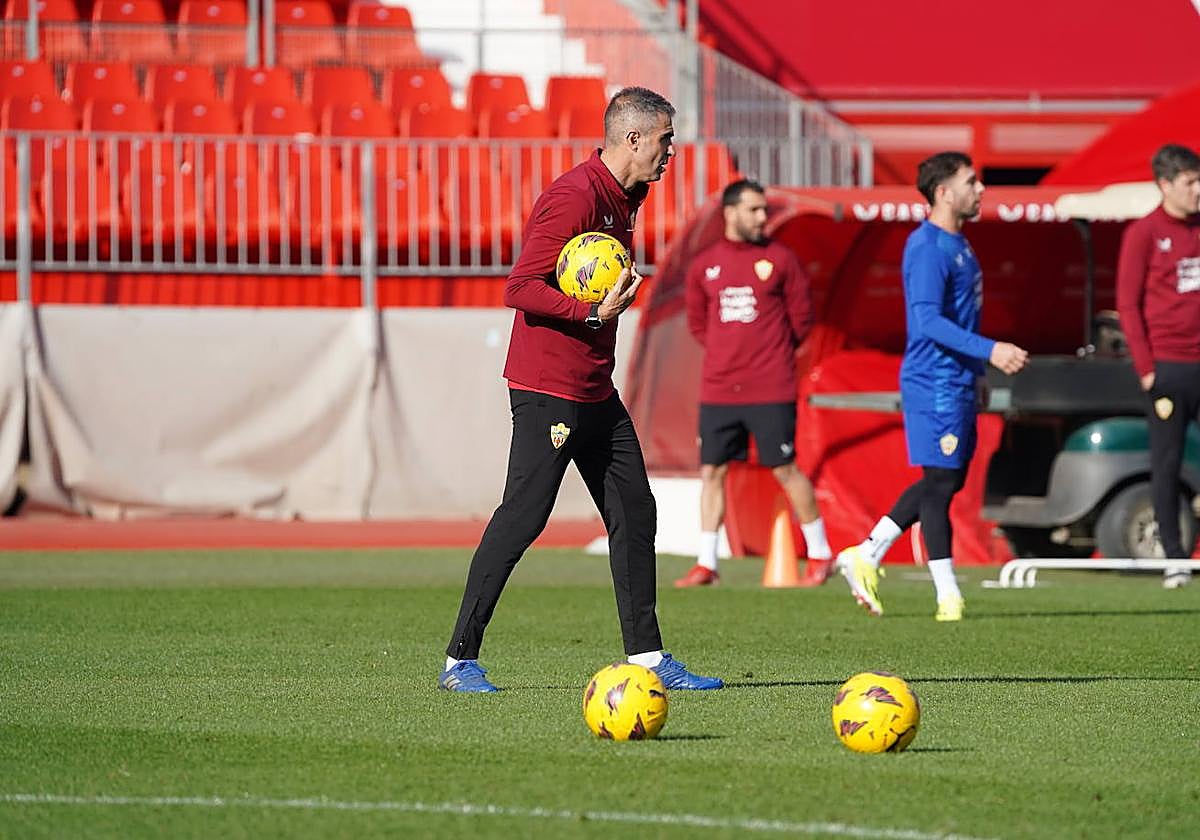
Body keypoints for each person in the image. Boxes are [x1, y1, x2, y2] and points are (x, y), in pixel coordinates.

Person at [439, 87, 723, 692]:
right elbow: (520, 287)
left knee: (635, 511)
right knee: (523, 517)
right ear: (636, 139)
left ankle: (647, 659)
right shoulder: (573, 195)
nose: (671, 153)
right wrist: (591, 310)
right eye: (666, 141)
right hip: (549, 389)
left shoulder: (625, 197)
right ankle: (459, 659)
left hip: (596, 388)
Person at [835, 151, 1029, 621]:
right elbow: (927, 321)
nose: (980, 189)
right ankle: (947, 595)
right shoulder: (926, 247)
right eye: (971, 182)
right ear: (944, 192)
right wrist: (991, 350)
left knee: (948, 479)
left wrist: (978, 373)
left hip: (959, 380)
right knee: (940, 483)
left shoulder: (960, 244)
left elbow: (960, 314)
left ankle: (867, 553)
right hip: (934, 381)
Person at [675, 178, 833, 587]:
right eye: (754, 209)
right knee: (713, 470)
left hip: (770, 387)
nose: (763, 217)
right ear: (730, 213)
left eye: (765, 209)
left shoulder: (781, 260)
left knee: (784, 468)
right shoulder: (703, 266)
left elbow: (802, 320)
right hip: (719, 388)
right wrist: (730, 354)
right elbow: (698, 324)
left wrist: (768, 355)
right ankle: (707, 563)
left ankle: (820, 554)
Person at [1116, 143, 1200, 589]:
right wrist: (1147, 369)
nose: (1197, 190)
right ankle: (1174, 557)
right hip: (1168, 367)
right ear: (1166, 185)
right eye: (1189, 182)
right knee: (1166, 464)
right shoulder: (1144, 233)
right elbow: (1127, 304)